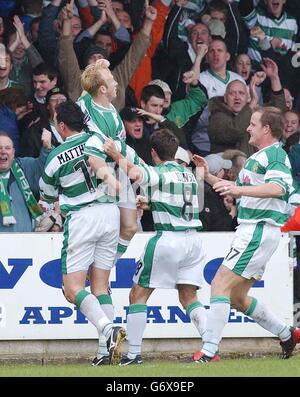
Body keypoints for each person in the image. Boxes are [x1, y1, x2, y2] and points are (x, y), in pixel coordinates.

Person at [192, 106, 300, 362]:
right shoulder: (259, 157)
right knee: (237, 297)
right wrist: (206, 174)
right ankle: (287, 334)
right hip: (254, 231)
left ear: (266, 129)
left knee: (219, 284)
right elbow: (234, 189)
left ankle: (208, 352)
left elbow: (277, 188)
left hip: (258, 230)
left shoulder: (274, 155)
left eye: (253, 124)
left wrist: (240, 192)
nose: (248, 128)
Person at [103, 129, 207, 365]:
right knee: (189, 296)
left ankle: (134, 355)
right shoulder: (189, 174)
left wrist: (115, 154)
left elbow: (136, 172)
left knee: (138, 295)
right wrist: (150, 203)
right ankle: (210, 347)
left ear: (153, 152)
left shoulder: (159, 172)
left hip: (168, 239)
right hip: (194, 241)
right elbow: (183, 203)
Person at [39, 101, 125, 366]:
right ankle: (104, 352)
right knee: (101, 284)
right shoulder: (100, 139)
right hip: (111, 214)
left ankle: (106, 328)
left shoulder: (55, 156)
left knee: (72, 288)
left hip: (82, 218)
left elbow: (47, 195)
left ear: (61, 126)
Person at [78, 59, 139, 269]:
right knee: (105, 230)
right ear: (102, 89)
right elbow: (106, 154)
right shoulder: (94, 115)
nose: (116, 84)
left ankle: (105, 266)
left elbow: (88, 88)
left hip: (117, 166)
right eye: (111, 81)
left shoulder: (103, 104)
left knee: (131, 227)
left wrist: (99, 67)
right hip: (102, 172)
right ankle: (94, 269)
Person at [0, 129, 51, 232]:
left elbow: (43, 169)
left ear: (13, 152)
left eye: (7, 148)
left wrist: (47, 147)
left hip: (25, 242)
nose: (3, 151)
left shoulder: (23, 166)